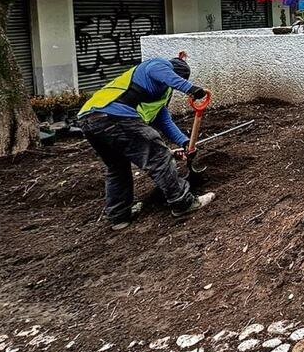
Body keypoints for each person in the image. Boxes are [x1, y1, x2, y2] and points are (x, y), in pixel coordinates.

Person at [77, 56, 215, 230]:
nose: (169, 84)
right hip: (114, 115)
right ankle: (182, 203)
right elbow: (159, 71)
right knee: (159, 156)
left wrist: (185, 142)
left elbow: (164, 120)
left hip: (91, 120)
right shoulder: (159, 65)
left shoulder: (159, 93)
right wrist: (191, 89)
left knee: (117, 167)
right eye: (173, 80)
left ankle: (119, 216)